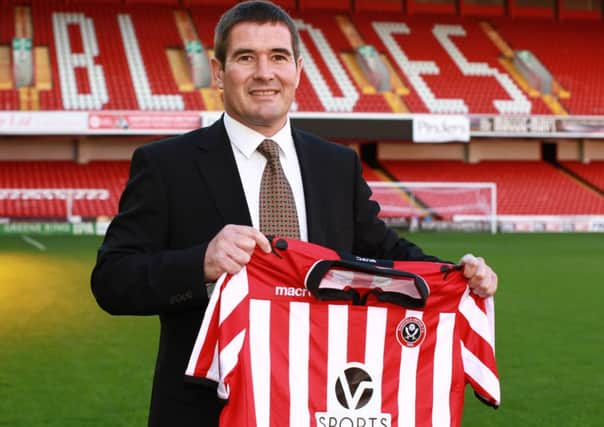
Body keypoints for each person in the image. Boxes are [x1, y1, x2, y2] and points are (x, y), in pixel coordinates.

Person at [91, 2, 498, 426]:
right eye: (246, 57)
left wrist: (459, 276)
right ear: (217, 72)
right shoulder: (167, 166)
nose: (264, 73)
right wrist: (201, 263)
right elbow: (111, 280)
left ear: (298, 71)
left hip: (321, 403)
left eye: (278, 58)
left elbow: (382, 248)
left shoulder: (337, 165)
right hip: (207, 411)